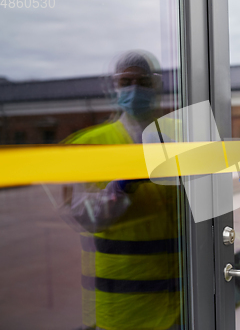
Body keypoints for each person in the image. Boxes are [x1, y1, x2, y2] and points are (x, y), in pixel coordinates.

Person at [64, 50, 182, 330]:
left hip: (179, 295)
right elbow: (82, 217)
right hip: (120, 297)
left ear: (155, 86)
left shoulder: (181, 136)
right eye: (126, 82)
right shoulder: (90, 144)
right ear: (114, 87)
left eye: (142, 82)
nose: (134, 90)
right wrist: (120, 188)